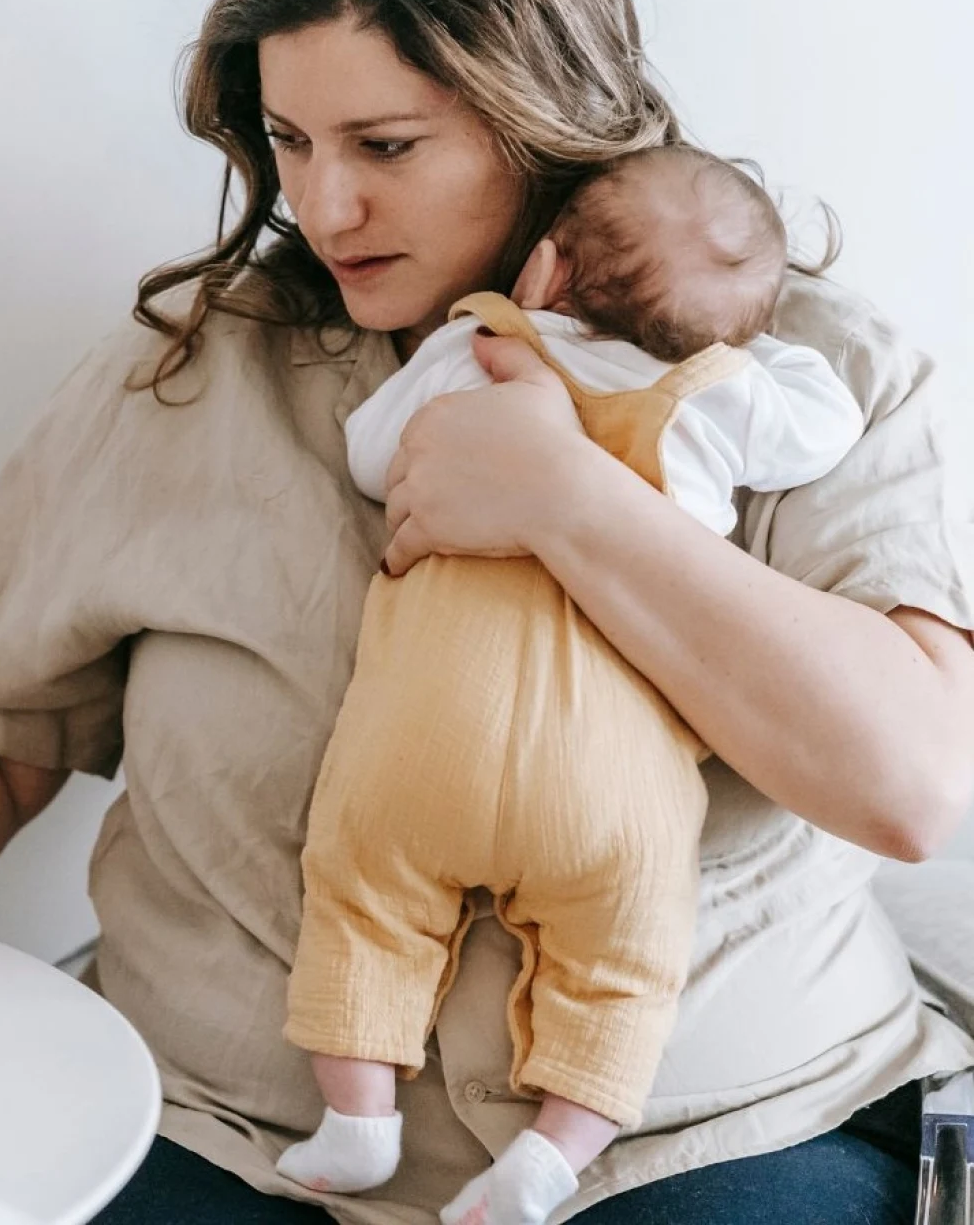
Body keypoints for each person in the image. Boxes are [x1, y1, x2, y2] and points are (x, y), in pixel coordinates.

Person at [0, 0, 974, 1223]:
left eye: (383, 143)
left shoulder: (798, 372)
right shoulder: (186, 376)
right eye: (288, 139)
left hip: (707, 1133)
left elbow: (906, 783)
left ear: (539, 114)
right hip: (223, 1130)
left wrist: (568, 503)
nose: (323, 202)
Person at [275, 145, 866, 1223]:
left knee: (359, 895)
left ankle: (358, 1118)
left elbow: (371, 454)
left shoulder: (482, 346)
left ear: (545, 267)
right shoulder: (712, 398)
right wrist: (750, 343)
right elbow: (827, 422)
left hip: (425, 733)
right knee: (626, 958)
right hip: (610, 772)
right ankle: (553, 1156)